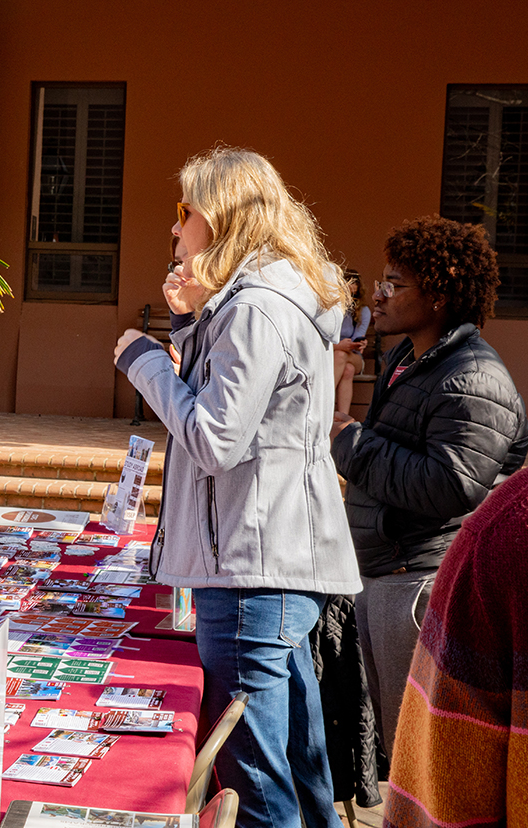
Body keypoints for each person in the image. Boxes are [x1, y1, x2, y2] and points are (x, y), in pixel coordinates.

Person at [114, 146, 361, 828]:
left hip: (251, 569)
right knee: (298, 770)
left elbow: (216, 438)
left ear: (219, 217)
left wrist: (141, 361)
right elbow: (235, 412)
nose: (174, 230)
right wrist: (189, 324)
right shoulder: (265, 299)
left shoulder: (256, 306)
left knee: (258, 787)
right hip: (266, 561)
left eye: (184, 212)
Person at [330, 214, 528, 761]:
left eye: (395, 284)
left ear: (439, 296)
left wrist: (350, 442)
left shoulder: (473, 379)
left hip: (420, 581)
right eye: (381, 280)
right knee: (400, 754)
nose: (379, 294)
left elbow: (448, 486)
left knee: (428, 761)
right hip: (384, 574)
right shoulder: (408, 358)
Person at [381, 459, 528, 828]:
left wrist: (349, 443)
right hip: (391, 568)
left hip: (417, 569)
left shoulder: (517, 528)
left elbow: (454, 481)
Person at [333, 269, 371, 415]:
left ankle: (325, 402)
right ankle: (343, 416)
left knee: (341, 356)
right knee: (347, 370)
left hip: (353, 356)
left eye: (354, 293)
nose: (351, 298)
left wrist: (360, 344)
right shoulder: (332, 310)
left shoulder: (363, 311)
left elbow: (358, 339)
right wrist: (338, 346)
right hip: (331, 356)